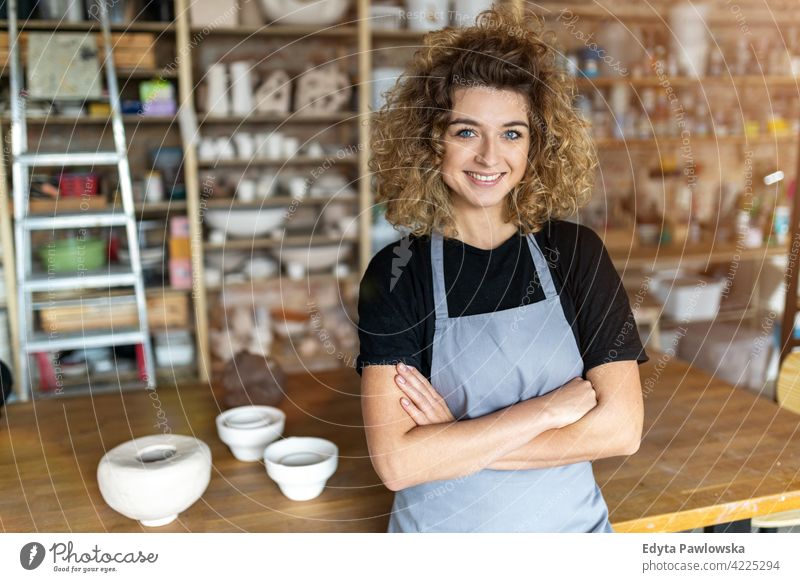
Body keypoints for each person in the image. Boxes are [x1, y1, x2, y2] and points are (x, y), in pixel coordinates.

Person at [356, 4, 648, 533]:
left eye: (512, 133)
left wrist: (454, 439)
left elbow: (621, 430)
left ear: (536, 145)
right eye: (467, 132)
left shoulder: (577, 254)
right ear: (432, 140)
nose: (491, 157)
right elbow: (398, 465)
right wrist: (548, 411)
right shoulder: (396, 274)